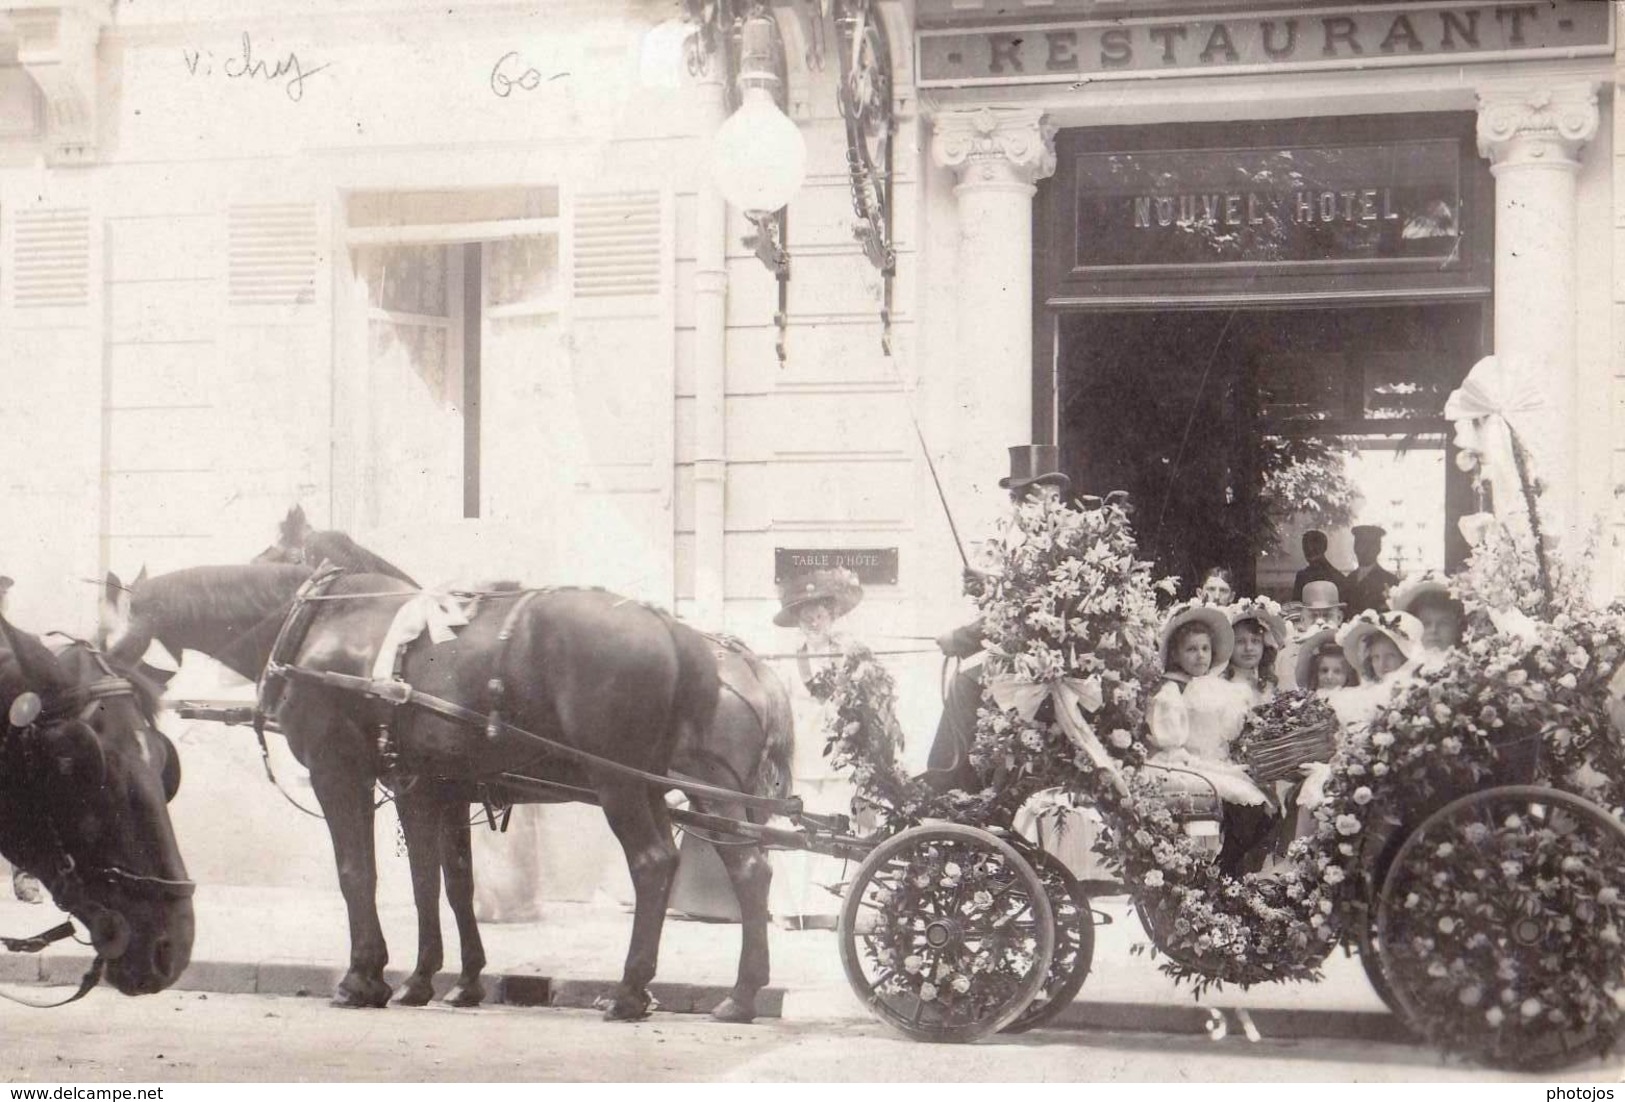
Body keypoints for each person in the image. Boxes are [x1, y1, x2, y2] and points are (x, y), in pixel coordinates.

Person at [926, 444, 1071, 791]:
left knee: (965, 684)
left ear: (1052, 499)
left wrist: (959, 638)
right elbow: (1013, 599)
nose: (1022, 509)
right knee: (969, 678)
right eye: (1018, 501)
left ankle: (955, 784)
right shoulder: (1036, 546)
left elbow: (1021, 613)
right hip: (1030, 660)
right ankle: (954, 778)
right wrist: (985, 587)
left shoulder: (1053, 548)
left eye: (1031, 499)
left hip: (1046, 668)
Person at [1145, 604, 1273, 879]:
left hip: (1217, 759)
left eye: (1204, 648)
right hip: (1185, 760)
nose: (1200, 656)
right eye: (1191, 649)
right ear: (1177, 655)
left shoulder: (1218, 686)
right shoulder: (1171, 689)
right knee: (1243, 804)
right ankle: (1220, 873)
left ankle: (1231, 871)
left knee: (1263, 809)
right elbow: (1170, 737)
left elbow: (1228, 730)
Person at [769, 567, 864, 930]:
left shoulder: (851, 659)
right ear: (797, 619)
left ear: (833, 614)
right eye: (805, 613)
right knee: (797, 832)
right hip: (802, 760)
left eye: (820, 611)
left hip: (840, 761)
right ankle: (792, 910)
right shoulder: (789, 664)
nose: (814, 619)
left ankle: (830, 909)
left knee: (836, 832)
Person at [0, 576, 42, 906]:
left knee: (21, 806)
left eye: (3, 593)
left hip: (11, 739)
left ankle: (25, 877)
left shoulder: (21, 642)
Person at [1223, 598, 1287, 706]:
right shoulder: (1223, 686)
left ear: (1264, 645)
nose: (1249, 648)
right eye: (1240, 642)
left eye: (1255, 641)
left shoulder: (1267, 684)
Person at [1390, 576, 1465, 657]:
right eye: (1426, 624)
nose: (1433, 630)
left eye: (1444, 623)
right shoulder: (1405, 668)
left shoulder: (1470, 667)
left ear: (1457, 628)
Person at [1344, 525, 1400, 616]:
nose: (1361, 550)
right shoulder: (1349, 579)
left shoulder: (1390, 581)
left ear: (1378, 549)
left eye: (1368, 545)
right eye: (1358, 544)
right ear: (1355, 548)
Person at [1292, 529, 1347, 603]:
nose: (1309, 549)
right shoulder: (1301, 576)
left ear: (1324, 548)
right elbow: (1296, 607)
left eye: (1315, 548)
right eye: (1305, 548)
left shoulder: (1338, 578)